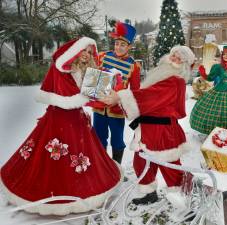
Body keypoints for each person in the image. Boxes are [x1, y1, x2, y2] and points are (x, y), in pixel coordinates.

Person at [0, 37, 122, 215]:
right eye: (84, 51)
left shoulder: (85, 70)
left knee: (80, 154)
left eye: (90, 52)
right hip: (59, 119)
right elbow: (69, 98)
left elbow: (96, 88)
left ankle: (80, 188)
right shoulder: (61, 69)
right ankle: (57, 194)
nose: (87, 55)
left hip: (77, 118)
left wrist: (110, 82)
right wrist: (90, 94)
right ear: (75, 50)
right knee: (53, 156)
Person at [102, 45, 195, 205]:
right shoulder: (163, 75)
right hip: (148, 128)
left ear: (185, 65)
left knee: (170, 166)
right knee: (141, 162)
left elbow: (150, 96)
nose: (174, 59)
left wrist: (121, 96)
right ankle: (149, 193)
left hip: (162, 130)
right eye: (174, 55)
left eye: (179, 59)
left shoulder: (175, 81)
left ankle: (183, 200)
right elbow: (146, 95)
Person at [92, 21, 140, 164]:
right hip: (99, 108)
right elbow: (92, 75)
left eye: (123, 45)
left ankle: (116, 169)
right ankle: (102, 169)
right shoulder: (102, 57)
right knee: (99, 138)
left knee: (117, 140)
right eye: (117, 44)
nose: (118, 47)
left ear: (129, 47)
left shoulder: (134, 66)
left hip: (116, 110)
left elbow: (135, 92)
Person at [190, 45, 227, 135]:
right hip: (218, 90)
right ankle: (213, 131)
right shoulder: (218, 67)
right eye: (224, 54)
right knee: (213, 111)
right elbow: (211, 78)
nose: (225, 56)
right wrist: (204, 74)